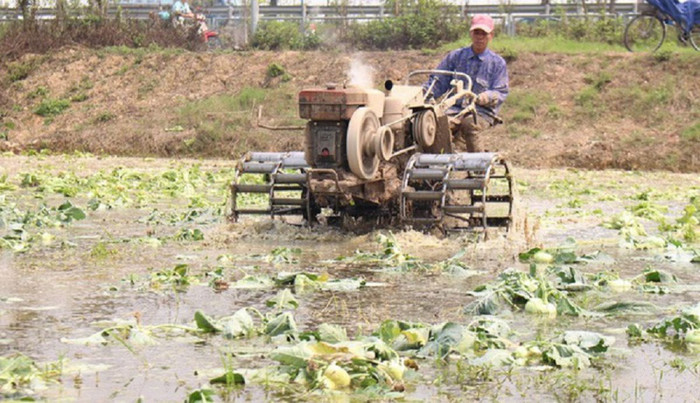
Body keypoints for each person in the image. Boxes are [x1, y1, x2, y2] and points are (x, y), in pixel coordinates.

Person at [425, 14, 509, 152]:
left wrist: (486, 97)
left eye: (484, 33)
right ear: (471, 34)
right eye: (477, 33)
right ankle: (438, 164)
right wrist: (424, 94)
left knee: (470, 124)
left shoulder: (497, 63)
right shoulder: (456, 57)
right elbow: (438, 81)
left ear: (491, 36)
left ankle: (477, 168)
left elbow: (501, 91)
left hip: (481, 111)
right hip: (454, 109)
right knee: (434, 124)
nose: (480, 37)